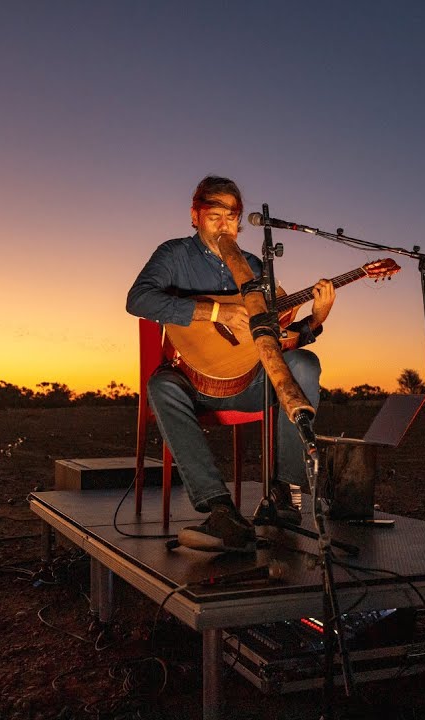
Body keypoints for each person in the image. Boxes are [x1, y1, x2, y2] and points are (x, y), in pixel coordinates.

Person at [127, 176, 335, 552]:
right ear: (195, 216)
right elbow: (138, 299)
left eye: (232, 217)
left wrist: (315, 321)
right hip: (192, 387)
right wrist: (212, 311)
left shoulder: (256, 266)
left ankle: (284, 494)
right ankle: (220, 510)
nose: (225, 225)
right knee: (160, 385)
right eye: (215, 215)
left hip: (249, 383)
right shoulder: (174, 255)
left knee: (303, 364)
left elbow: (278, 338)